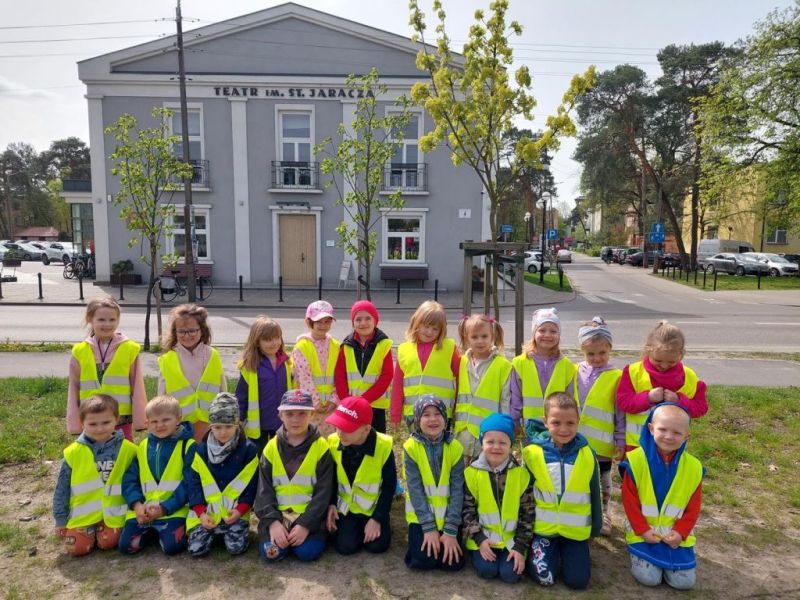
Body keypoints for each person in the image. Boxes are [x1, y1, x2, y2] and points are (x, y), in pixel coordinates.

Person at [522, 392, 603, 590]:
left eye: (570, 423)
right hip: (543, 529)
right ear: (545, 421)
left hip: (575, 532)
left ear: (578, 421)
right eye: (556, 423)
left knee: (577, 582)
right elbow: (524, 494)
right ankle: (550, 552)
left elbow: (594, 492)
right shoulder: (532, 453)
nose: (564, 429)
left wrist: (595, 527)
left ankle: (566, 553)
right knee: (544, 579)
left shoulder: (587, 454)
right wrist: (523, 531)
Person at [620, 403, 703, 590]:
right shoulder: (635, 460)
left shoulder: (693, 467)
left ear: (687, 436)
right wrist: (642, 530)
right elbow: (629, 502)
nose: (669, 436)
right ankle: (639, 556)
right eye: (662, 429)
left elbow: (693, 507)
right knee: (650, 579)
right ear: (651, 429)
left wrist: (680, 533)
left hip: (674, 534)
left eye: (677, 432)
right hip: (643, 531)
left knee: (684, 582)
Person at [255, 389, 335, 563]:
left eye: (302, 414)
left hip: (309, 518)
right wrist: (273, 523)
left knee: (307, 553)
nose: (295, 420)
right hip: (279, 517)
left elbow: (324, 493)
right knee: (271, 554)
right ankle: (281, 536)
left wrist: (305, 525)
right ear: (280, 415)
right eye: (289, 414)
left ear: (312, 414)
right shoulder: (271, 447)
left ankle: (304, 537)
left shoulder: (321, 447)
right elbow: (263, 491)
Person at [53, 394, 138, 556]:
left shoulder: (129, 449)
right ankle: (89, 530)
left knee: (108, 542)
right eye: (92, 424)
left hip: (114, 514)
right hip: (83, 515)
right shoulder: (73, 452)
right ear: (81, 423)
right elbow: (62, 489)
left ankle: (102, 529)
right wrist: (61, 520)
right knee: (76, 549)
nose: (100, 429)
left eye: (106, 422)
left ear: (117, 419)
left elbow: (137, 482)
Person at [462, 413, 535, 583]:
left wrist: (520, 547)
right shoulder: (471, 474)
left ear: (511, 445)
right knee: (487, 570)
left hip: (512, 540)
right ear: (482, 443)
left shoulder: (521, 475)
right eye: (490, 442)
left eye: (503, 442)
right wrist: (480, 540)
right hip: (483, 538)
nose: (496, 447)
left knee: (510, 575)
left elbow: (528, 514)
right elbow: (467, 511)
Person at [118, 395, 195, 555]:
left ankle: (161, 533)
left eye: (166, 420)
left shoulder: (188, 446)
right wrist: (137, 505)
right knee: (127, 547)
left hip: (174, 510)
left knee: (172, 548)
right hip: (144, 511)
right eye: (154, 421)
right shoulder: (142, 446)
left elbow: (190, 483)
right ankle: (153, 531)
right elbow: (129, 480)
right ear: (147, 423)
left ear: (178, 419)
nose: (160, 425)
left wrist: (165, 508)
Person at [185, 393, 259, 557]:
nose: (223, 432)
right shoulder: (201, 450)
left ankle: (229, 533)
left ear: (237, 424)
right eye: (217, 427)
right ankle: (212, 532)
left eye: (228, 427)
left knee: (235, 548)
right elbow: (194, 484)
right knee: (196, 550)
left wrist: (240, 511)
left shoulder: (249, 450)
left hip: (235, 514)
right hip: (207, 514)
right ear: (210, 426)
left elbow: (252, 486)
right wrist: (200, 513)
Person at [616, 320, 708, 451]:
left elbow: (701, 407)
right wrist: (647, 398)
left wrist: (679, 401)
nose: (664, 366)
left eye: (671, 362)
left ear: (680, 355)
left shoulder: (689, 377)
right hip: (637, 445)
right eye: (658, 360)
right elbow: (622, 402)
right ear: (648, 350)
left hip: (672, 447)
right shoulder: (633, 372)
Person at [325, 396, 397, 555]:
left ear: (366, 429)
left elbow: (389, 486)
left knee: (377, 546)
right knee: (345, 547)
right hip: (346, 509)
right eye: (338, 426)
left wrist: (378, 518)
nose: (340, 433)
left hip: (373, 509)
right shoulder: (333, 441)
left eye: (347, 428)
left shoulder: (383, 447)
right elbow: (330, 480)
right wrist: (331, 504)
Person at [68, 296, 146, 440]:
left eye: (112, 320)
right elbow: (73, 388)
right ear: (90, 319)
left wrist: (141, 420)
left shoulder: (129, 349)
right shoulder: (80, 351)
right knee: (93, 452)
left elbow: (138, 386)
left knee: (123, 451)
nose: (107, 324)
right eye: (101, 320)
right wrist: (74, 423)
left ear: (118, 320)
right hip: (92, 418)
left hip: (121, 418)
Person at [403, 395, 465, 571]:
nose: (432, 419)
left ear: (445, 418)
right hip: (421, 517)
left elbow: (458, 490)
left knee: (452, 564)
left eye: (438, 414)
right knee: (423, 560)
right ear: (417, 419)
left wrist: (451, 530)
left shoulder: (455, 447)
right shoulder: (410, 447)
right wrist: (429, 528)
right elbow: (415, 489)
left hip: (448, 517)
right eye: (426, 415)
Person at [575, 316, 625, 535]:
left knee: (604, 481)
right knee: (580, 478)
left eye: (602, 353)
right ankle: (584, 511)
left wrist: (620, 439)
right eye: (591, 354)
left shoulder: (617, 377)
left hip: (603, 444)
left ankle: (604, 513)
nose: (597, 358)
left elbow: (620, 412)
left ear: (610, 349)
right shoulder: (574, 371)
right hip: (577, 441)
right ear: (582, 351)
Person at [158, 304, 227, 443]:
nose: (187, 336)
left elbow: (222, 387)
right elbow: (162, 394)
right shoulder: (168, 359)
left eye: (192, 331)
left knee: (203, 454)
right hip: (178, 422)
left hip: (208, 420)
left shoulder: (212, 355)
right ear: (175, 332)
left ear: (202, 330)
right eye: (181, 332)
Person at [391, 300, 460, 428]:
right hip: (413, 414)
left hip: (441, 414)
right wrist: (395, 413)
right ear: (416, 323)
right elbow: (398, 384)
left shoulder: (450, 348)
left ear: (442, 330)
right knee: (415, 442)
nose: (429, 332)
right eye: (426, 326)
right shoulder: (404, 349)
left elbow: (461, 380)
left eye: (435, 329)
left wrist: (457, 408)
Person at [453, 314, 512, 463]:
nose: (480, 341)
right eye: (474, 337)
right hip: (463, 431)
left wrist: (505, 428)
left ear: (492, 335)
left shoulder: (503, 365)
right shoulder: (462, 362)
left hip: (489, 434)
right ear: (467, 338)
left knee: (485, 471)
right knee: (462, 472)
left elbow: (505, 400)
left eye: (484, 336)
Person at [510, 307, 576, 439]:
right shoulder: (520, 363)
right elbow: (515, 397)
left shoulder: (567, 366)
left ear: (559, 335)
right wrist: (515, 422)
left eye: (553, 331)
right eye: (542, 330)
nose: (547, 335)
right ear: (534, 333)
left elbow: (570, 399)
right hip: (529, 428)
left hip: (558, 429)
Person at [333, 300, 393, 433]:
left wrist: (364, 400)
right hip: (351, 406)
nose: (363, 323)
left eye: (368, 318)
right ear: (353, 323)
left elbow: (387, 376)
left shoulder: (384, 345)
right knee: (353, 438)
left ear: (375, 321)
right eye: (358, 319)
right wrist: (346, 401)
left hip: (375, 405)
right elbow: (340, 376)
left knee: (375, 440)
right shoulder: (346, 346)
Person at [235, 316, 292, 452]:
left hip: (281, 422)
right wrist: (239, 420)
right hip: (258, 426)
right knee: (258, 458)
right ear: (256, 342)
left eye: (277, 338)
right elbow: (241, 397)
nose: (274, 343)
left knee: (280, 456)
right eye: (267, 339)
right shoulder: (249, 367)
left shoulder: (287, 363)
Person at [292, 300, 341, 437]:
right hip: (310, 406)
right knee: (311, 439)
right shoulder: (302, 347)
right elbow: (304, 377)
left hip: (331, 405)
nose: (323, 325)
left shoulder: (336, 346)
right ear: (308, 322)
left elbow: (340, 375)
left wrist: (334, 399)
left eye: (327, 321)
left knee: (331, 440)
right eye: (318, 321)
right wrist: (315, 402)